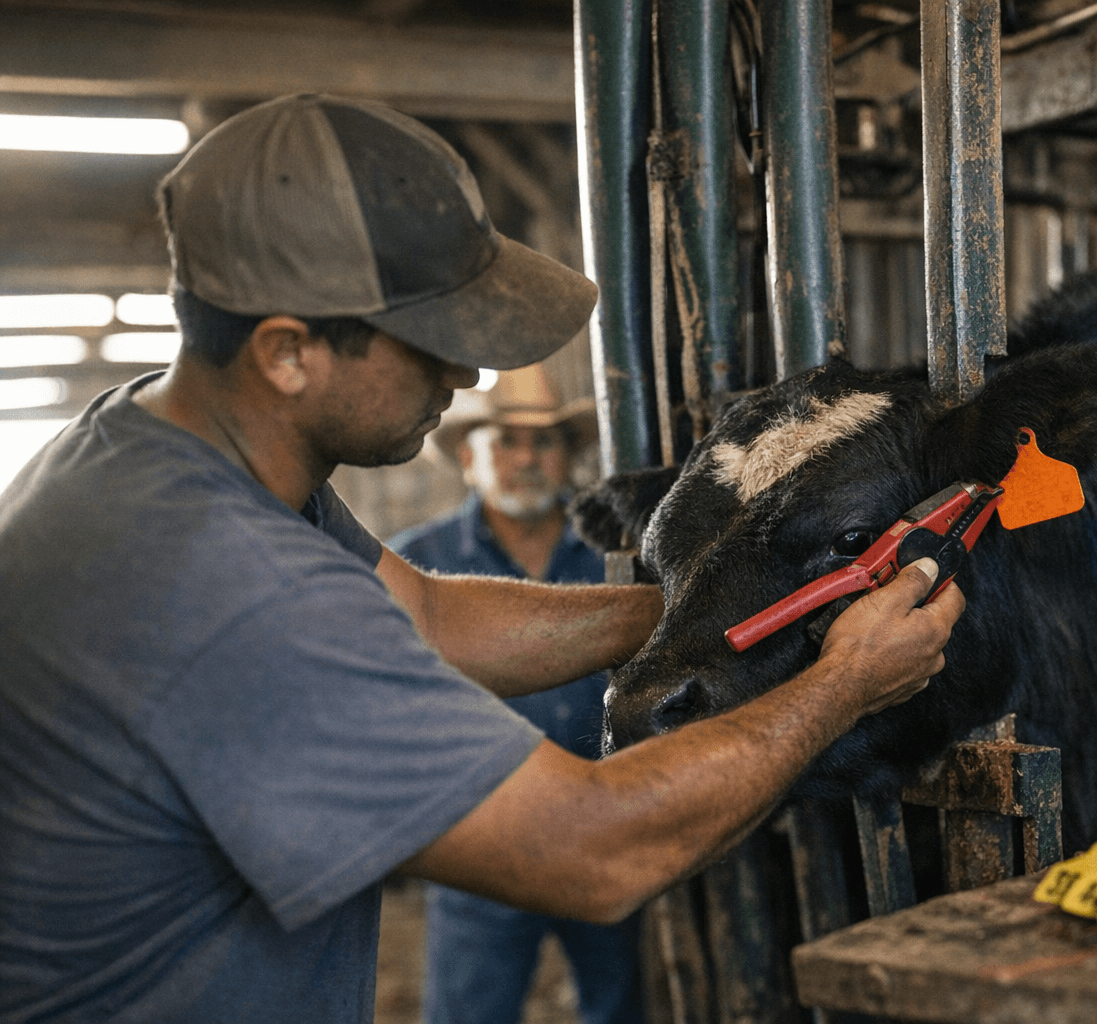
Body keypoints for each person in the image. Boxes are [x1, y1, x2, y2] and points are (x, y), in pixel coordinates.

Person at [0, 93, 962, 1024]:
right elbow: (596, 854)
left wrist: (717, 604)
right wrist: (845, 682)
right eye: (432, 342)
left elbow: (427, 619)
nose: (464, 375)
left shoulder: (155, 448)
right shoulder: (232, 591)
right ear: (288, 353)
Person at [390, 365, 641, 1024]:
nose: (526, 458)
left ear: (568, 457)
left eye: (545, 442)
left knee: (621, 1006)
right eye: (506, 441)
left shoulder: (618, 558)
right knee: (469, 1013)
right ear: (469, 460)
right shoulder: (415, 564)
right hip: (480, 845)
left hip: (606, 829)